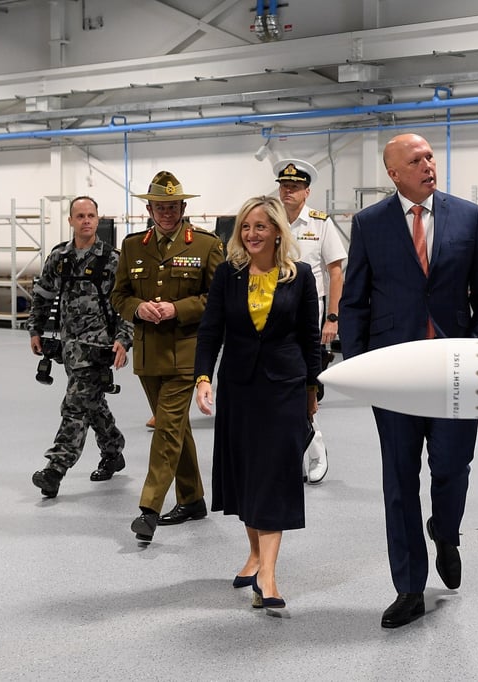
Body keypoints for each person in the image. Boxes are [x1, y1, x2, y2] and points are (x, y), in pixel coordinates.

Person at [339, 133, 478, 628]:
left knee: (453, 467)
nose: (428, 165)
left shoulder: (467, 216)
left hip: (455, 371)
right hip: (395, 375)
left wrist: (474, 348)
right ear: (394, 172)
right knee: (399, 480)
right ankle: (409, 587)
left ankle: (445, 531)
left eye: (430, 156)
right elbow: (355, 301)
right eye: (416, 160)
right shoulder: (369, 224)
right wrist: (361, 368)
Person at [194, 196, 320, 615]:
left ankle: (267, 575)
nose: (251, 234)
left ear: (277, 232)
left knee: (274, 475)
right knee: (248, 474)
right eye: (246, 227)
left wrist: (311, 389)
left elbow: (309, 337)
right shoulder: (228, 276)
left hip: (284, 387)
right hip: (240, 387)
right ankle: (254, 556)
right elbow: (211, 330)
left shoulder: (299, 277)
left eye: (260, 227)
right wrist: (203, 377)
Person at [111, 171, 225, 543]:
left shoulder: (206, 245)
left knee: (165, 427)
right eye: (160, 207)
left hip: (187, 352)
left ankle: (149, 509)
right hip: (149, 354)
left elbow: (217, 299)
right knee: (176, 427)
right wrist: (138, 309)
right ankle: (192, 499)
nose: (166, 213)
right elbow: (119, 296)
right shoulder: (132, 247)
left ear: (183, 207)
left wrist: (178, 309)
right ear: (149, 208)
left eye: (173, 207)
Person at [27, 196, 132, 498]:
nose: (86, 220)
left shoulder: (113, 259)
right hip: (69, 348)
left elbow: (126, 305)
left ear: (98, 220)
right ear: (71, 221)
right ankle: (113, 451)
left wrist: (123, 341)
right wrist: (35, 329)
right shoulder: (60, 257)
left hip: (99, 347)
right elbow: (43, 295)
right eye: (80, 216)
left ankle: (55, 469)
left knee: (74, 406)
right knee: (91, 404)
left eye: (91, 215)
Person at [273, 158, 346, 485]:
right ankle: (293, 450)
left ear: (307, 191)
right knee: (278, 380)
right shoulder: (270, 220)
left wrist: (332, 317)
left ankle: (314, 444)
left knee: (306, 379)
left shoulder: (320, 223)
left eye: (294, 187)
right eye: (284, 186)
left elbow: (335, 272)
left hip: (309, 309)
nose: (287, 191)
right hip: (272, 306)